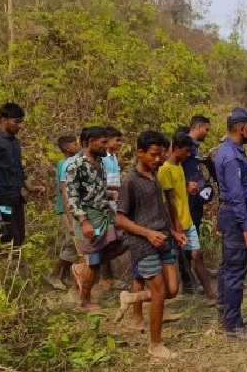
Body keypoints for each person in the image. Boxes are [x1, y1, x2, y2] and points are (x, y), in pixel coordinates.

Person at [113, 130, 186, 359]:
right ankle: (155, 345)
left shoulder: (155, 177)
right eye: (154, 155)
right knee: (159, 292)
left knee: (172, 290)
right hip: (144, 244)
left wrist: (174, 232)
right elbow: (120, 218)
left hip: (164, 239)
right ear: (140, 153)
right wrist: (147, 233)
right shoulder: (130, 182)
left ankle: (132, 297)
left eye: (161, 155)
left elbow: (160, 208)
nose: (158, 159)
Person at [66, 126, 128, 312]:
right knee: (93, 259)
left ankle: (81, 270)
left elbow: (98, 190)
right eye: (103, 142)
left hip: (105, 214)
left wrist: (114, 195)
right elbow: (73, 197)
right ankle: (84, 301)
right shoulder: (75, 164)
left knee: (123, 242)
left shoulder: (100, 162)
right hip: (89, 217)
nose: (106, 145)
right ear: (90, 142)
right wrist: (84, 222)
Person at [214, 107, 247, 341]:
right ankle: (232, 325)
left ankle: (227, 313)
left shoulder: (230, 150)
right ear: (242, 128)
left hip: (232, 215)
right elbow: (236, 195)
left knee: (228, 266)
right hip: (235, 216)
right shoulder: (231, 156)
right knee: (235, 269)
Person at [158, 132, 216, 304]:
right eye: (186, 150)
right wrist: (175, 228)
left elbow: (178, 186)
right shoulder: (164, 170)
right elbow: (169, 202)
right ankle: (163, 294)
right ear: (176, 149)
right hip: (175, 224)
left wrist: (187, 184)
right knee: (169, 260)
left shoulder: (179, 167)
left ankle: (209, 294)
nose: (189, 154)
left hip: (187, 221)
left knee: (197, 255)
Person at [0, 103, 45, 246]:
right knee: (9, 237)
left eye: (20, 122)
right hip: (0, 199)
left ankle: (12, 265)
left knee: (20, 236)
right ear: (4, 120)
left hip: (16, 197)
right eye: (16, 122)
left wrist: (29, 187)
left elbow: (17, 169)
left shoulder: (15, 142)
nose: (19, 126)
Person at [182, 115, 213, 294]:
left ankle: (190, 279)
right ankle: (187, 281)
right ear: (199, 126)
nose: (207, 134)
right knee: (187, 239)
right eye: (206, 130)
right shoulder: (187, 145)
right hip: (189, 197)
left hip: (195, 197)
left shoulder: (194, 147)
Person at [45, 135, 80, 290]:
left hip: (73, 209)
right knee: (72, 243)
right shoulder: (64, 164)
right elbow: (63, 188)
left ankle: (64, 276)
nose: (77, 146)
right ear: (67, 148)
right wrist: (70, 215)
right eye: (74, 144)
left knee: (72, 243)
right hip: (67, 210)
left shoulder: (74, 161)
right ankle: (54, 275)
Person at [100, 126, 126, 290]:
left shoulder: (114, 158)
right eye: (117, 140)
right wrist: (117, 191)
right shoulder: (102, 159)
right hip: (106, 205)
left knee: (114, 241)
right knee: (107, 241)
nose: (119, 143)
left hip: (115, 204)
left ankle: (107, 276)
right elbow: (102, 184)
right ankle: (104, 277)